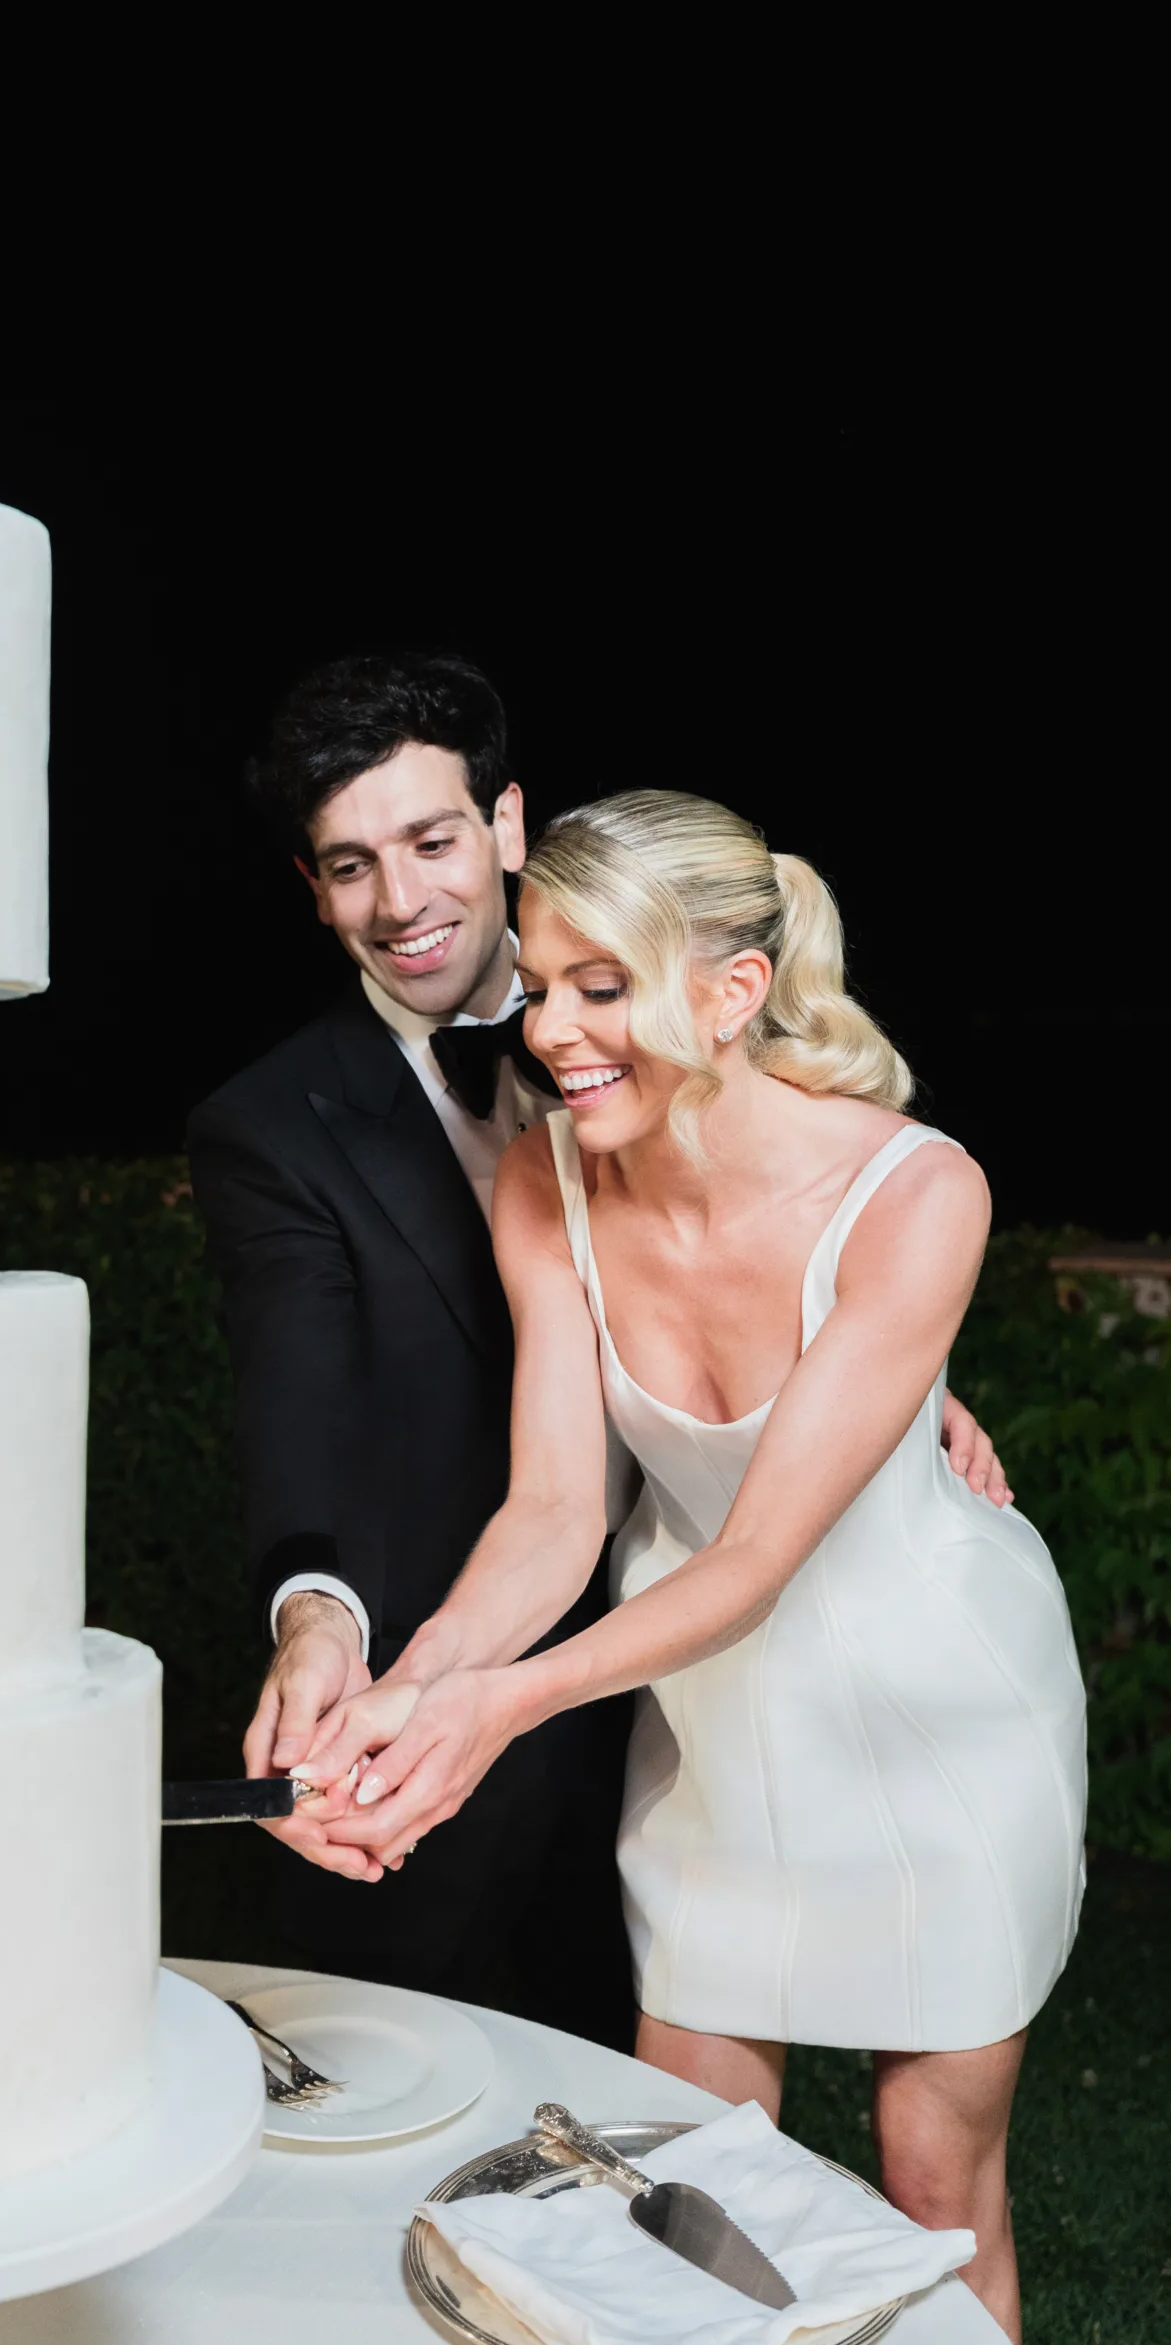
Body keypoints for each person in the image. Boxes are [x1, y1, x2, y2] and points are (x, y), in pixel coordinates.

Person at [293, 789, 1085, 2342]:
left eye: (607, 988)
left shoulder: (919, 1192)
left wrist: (497, 1710)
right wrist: (409, 1698)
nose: (556, 1034)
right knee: (682, 2193)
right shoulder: (548, 1182)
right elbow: (551, 1515)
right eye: (543, 985)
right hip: (711, 1726)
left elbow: (758, 1558)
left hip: (935, 1720)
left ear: (731, 993)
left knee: (933, 2186)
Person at [189, 663, 1012, 2049]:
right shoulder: (273, 1127)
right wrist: (336, 1633)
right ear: (310, 884)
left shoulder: (696, 997)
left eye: (432, 843)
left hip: (793, 1646)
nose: (399, 902)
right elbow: (305, 1399)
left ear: (506, 826)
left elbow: (824, 1226)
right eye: (349, 866)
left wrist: (890, 1388)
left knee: (836, 2138)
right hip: (522, 1621)